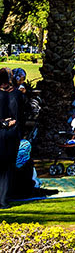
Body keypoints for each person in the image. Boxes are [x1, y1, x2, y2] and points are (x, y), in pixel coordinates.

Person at [0, 69, 19, 208]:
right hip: (10, 133)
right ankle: (4, 198)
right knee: (7, 167)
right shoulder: (15, 95)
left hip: (6, 131)